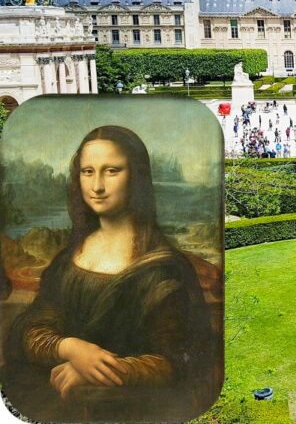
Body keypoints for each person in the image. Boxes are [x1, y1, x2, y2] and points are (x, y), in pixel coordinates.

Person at [2, 126, 216, 422]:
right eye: (88, 171)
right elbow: (32, 328)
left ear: (136, 177)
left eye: (112, 171)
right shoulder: (69, 259)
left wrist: (98, 369)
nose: (97, 185)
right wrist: (71, 348)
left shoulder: (165, 268)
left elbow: (178, 360)